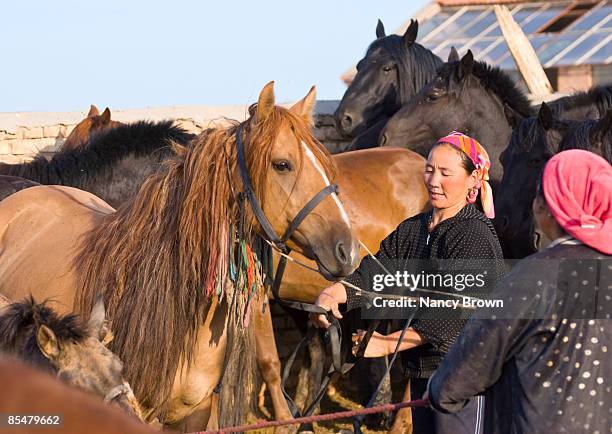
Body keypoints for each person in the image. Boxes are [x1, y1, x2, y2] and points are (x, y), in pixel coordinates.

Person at [311, 132, 506, 434]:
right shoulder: (414, 229)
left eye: (445, 173)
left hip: (465, 377)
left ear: (472, 180)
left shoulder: (474, 236)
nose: (433, 180)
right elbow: (375, 273)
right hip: (424, 373)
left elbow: (452, 316)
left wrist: (386, 343)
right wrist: (334, 293)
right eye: (429, 170)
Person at [427, 149, 611, 433]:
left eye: (540, 196)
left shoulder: (535, 277)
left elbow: (458, 379)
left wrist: (439, 390)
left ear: (548, 207)